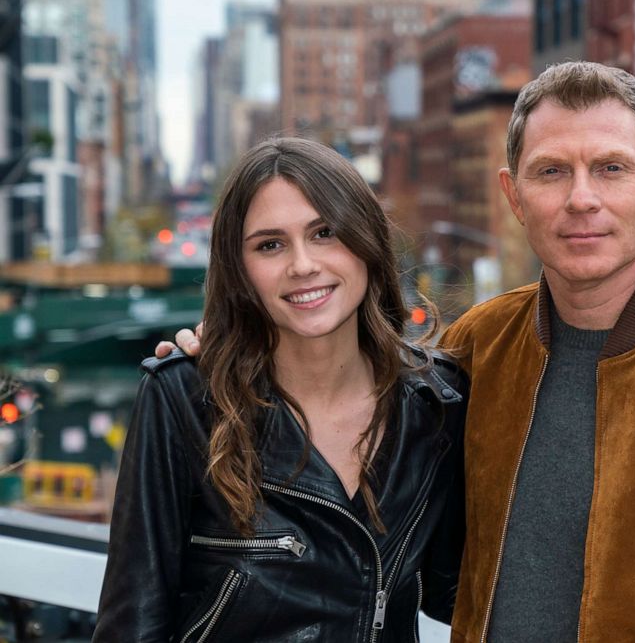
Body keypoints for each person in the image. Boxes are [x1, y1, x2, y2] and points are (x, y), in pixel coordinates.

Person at [168, 62, 635, 641]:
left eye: (612, 168)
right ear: (513, 195)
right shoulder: (475, 351)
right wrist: (227, 357)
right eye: (552, 171)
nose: (581, 199)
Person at [96, 137, 466, 642]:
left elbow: (461, 593)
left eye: (324, 233)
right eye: (270, 244)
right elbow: (130, 625)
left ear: (367, 242)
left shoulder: (437, 403)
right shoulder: (183, 398)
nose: (302, 265)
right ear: (239, 268)